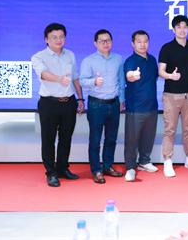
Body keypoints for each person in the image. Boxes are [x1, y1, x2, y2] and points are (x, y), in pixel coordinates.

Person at [31, 23, 84, 187]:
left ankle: (62, 168)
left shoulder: (70, 55)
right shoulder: (38, 57)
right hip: (49, 103)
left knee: (66, 138)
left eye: (61, 37)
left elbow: (75, 78)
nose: (58, 40)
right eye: (54, 37)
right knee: (48, 139)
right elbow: (43, 74)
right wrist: (59, 79)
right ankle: (51, 172)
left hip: (69, 102)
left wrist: (81, 99)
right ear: (46, 39)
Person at [158, 15, 188, 177]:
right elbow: (161, 71)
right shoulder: (167, 48)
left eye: (185, 27)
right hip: (171, 95)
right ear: (174, 29)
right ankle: (167, 160)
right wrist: (171, 76)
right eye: (179, 27)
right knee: (170, 129)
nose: (182, 30)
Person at [79, 29, 125, 183]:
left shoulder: (118, 59)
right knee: (95, 140)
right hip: (96, 105)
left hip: (114, 104)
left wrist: (122, 100)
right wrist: (94, 81)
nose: (105, 43)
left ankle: (107, 166)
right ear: (95, 43)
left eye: (108, 40)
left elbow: (121, 81)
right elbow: (82, 81)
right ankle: (96, 170)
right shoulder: (88, 61)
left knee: (111, 138)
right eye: (102, 41)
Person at [123, 30, 160, 182]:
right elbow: (129, 75)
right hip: (136, 107)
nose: (142, 44)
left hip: (152, 106)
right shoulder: (130, 61)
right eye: (139, 41)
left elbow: (154, 78)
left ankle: (144, 161)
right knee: (132, 140)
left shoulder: (152, 60)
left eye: (145, 41)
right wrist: (132, 75)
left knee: (148, 137)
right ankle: (130, 167)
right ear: (133, 44)